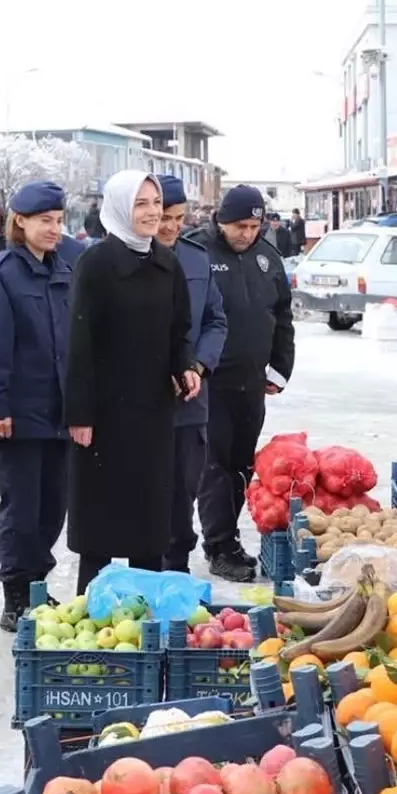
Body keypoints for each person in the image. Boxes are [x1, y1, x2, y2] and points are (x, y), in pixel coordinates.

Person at [64, 171, 199, 594]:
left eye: (156, 203)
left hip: (153, 411)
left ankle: (146, 612)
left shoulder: (166, 263)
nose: (153, 212)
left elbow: (179, 331)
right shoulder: (97, 263)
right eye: (141, 204)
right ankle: (91, 609)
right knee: (101, 520)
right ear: (121, 207)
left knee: (149, 517)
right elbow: (80, 342)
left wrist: (186, 368)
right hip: (105, 414)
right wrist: (80, 413)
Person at [0, 181, 74, 631]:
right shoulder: (3, 275)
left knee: (53, 505)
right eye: (44, 221)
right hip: (17, 415)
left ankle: (38, 581)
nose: (54, 229)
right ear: (21, 222)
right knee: (21, 508)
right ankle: (16, 594)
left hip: (58, 413)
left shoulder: (63, 270)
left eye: (58, 221)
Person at [193, 185, 295, 582]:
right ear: (221, 220)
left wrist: (280, 368)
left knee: (241, 464)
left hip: (251, 383)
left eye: (254, 226)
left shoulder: (268, 258)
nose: (247, 234)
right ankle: (218, 545)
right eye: (239, 225)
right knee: (214, 467)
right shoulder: (198, 254)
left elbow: (282, 317)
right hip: (210, 383)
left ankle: (228, 537)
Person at [155, 175, 229, 574]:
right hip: (143, 399)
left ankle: (177, 563)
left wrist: (198, 366)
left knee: (186, 484)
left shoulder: (196, 258)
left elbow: (216, 320)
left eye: (178, 217)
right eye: (163, 216)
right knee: (148, 489)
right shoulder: (124, 261)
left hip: (190, 396)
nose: (170, 225)